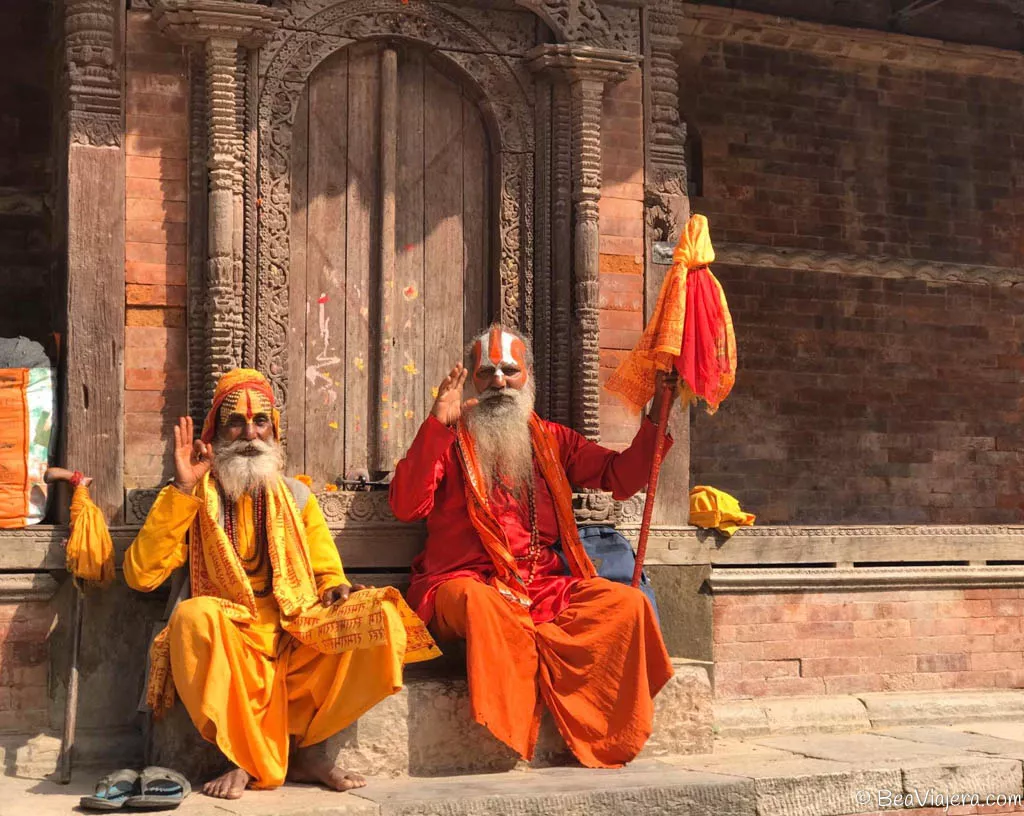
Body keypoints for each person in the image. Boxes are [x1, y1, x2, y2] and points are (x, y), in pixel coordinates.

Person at [125, 369, 438, 799]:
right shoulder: (192, 496)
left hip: (295, 626)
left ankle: (309, 750)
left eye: (260, 422)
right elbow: (142, 575)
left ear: (274, 431)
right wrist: (182, 486)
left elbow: (328, 569)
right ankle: (243, 758)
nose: (249, 434)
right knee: (194, 616)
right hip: (230, 630)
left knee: (381, 614)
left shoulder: (297, 497)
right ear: (216, 432)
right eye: (236, 422)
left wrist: (335, 589)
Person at [389, 325, 674, 768]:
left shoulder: (553, 439)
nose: (498, 382)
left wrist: (657, 417)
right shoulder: (448, 438)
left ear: (529, 378)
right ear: (471, 382)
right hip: (463, 582)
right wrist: (434, 426)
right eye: (486, 373)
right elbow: (408, 505)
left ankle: (603, 729)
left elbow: (622, 478)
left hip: (542, 585)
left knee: (627, 605)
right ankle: (513, 730)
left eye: (509, 370)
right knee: (483, 605)